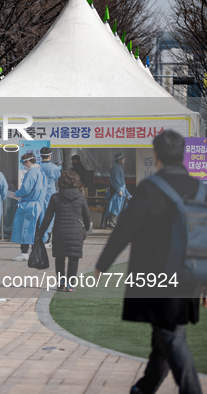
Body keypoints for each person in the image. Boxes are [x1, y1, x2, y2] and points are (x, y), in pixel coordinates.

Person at [95, 131, 204, 394]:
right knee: (164, 335)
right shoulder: (201, 189)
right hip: (190, 274)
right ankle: (143, 388)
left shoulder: (150, 188)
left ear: (156, 155)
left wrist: (102, 264)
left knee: (170, 334)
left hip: (157, 275)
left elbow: (125, 229)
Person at [37, 170, 91, 291]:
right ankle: (70, 284)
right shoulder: (81, 198)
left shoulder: (55, 197)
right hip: (76, 233)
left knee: (60, 258)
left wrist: (40, 234)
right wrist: (85, 229)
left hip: (59, 232)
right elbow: (87, 217)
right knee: (74, 258)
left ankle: (61, 282)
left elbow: (48, 217)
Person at [10, 153, 46, 261]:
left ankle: (24, 252)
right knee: (35, 230)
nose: (24, 165)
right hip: (37, 205)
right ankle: (35, 252)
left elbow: (25, 189)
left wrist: (16, 193)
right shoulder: (40, 172)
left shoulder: (31, 173)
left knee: (25, 229)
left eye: (23, 163)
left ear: (28, 162)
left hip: (29, 205)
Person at [39, 147, 62, 245]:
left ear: (40, 155)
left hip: (39, 193)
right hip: (50, 193)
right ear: (50, 156)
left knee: (41, 214)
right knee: (50, 215)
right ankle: (48, 237)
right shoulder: (55, 168)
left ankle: (40, 236)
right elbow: (58, 179)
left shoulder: (37, 167)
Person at [105, 152, 130, 228]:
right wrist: (119, 189)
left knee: (119, 207)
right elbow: (115, 179)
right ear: (119, 159)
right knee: (115, 206)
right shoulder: (116, 167)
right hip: (117, 191)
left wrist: (126, 192)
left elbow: (122, 182)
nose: (123, 159)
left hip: (120, 191)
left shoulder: (118, 167)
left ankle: (115, 222)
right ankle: (112, 222)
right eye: (122, 158)